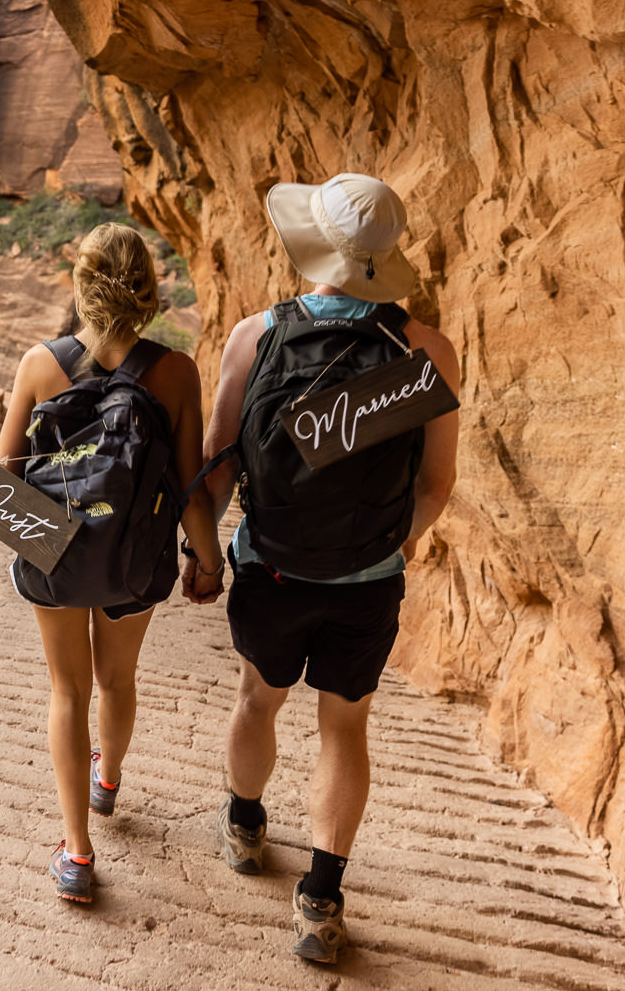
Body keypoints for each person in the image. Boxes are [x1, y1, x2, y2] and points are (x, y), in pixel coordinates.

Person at [197, 172, 460, 963]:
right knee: (344, 726)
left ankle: (244, 825)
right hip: (368, 582)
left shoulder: (257, 336)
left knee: (257, 699)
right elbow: (437, 482)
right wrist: (388, 547)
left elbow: (216, 462)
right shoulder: (426, 349)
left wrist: (202, 553)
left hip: (273, 569)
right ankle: (320, 897)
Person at [0, 222, 224, 905]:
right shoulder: (176, 371)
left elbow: (3, 476)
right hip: (133, 561)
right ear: (147, 288)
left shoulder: (39, 364)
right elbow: (188, 487)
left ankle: (77, 852)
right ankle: (108, 780)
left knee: (68, 692)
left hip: (56, 561)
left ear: (82, 287)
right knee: (116, 679)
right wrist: (206, 563)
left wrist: (48, 541)